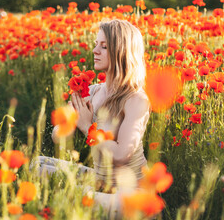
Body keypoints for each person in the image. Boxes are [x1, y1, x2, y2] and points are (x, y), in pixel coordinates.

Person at [37, 19, 151, 218]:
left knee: (68, 194)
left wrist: (87, 126)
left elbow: (121, 156)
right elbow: (57, 137)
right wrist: (71, 120)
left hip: (132, 193)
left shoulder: (136, 99)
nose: (95, 51)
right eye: (96, 44)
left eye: (104, 46)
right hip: (100, 181)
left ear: (122, 52)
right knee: (37, 167)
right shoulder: (93, 91)